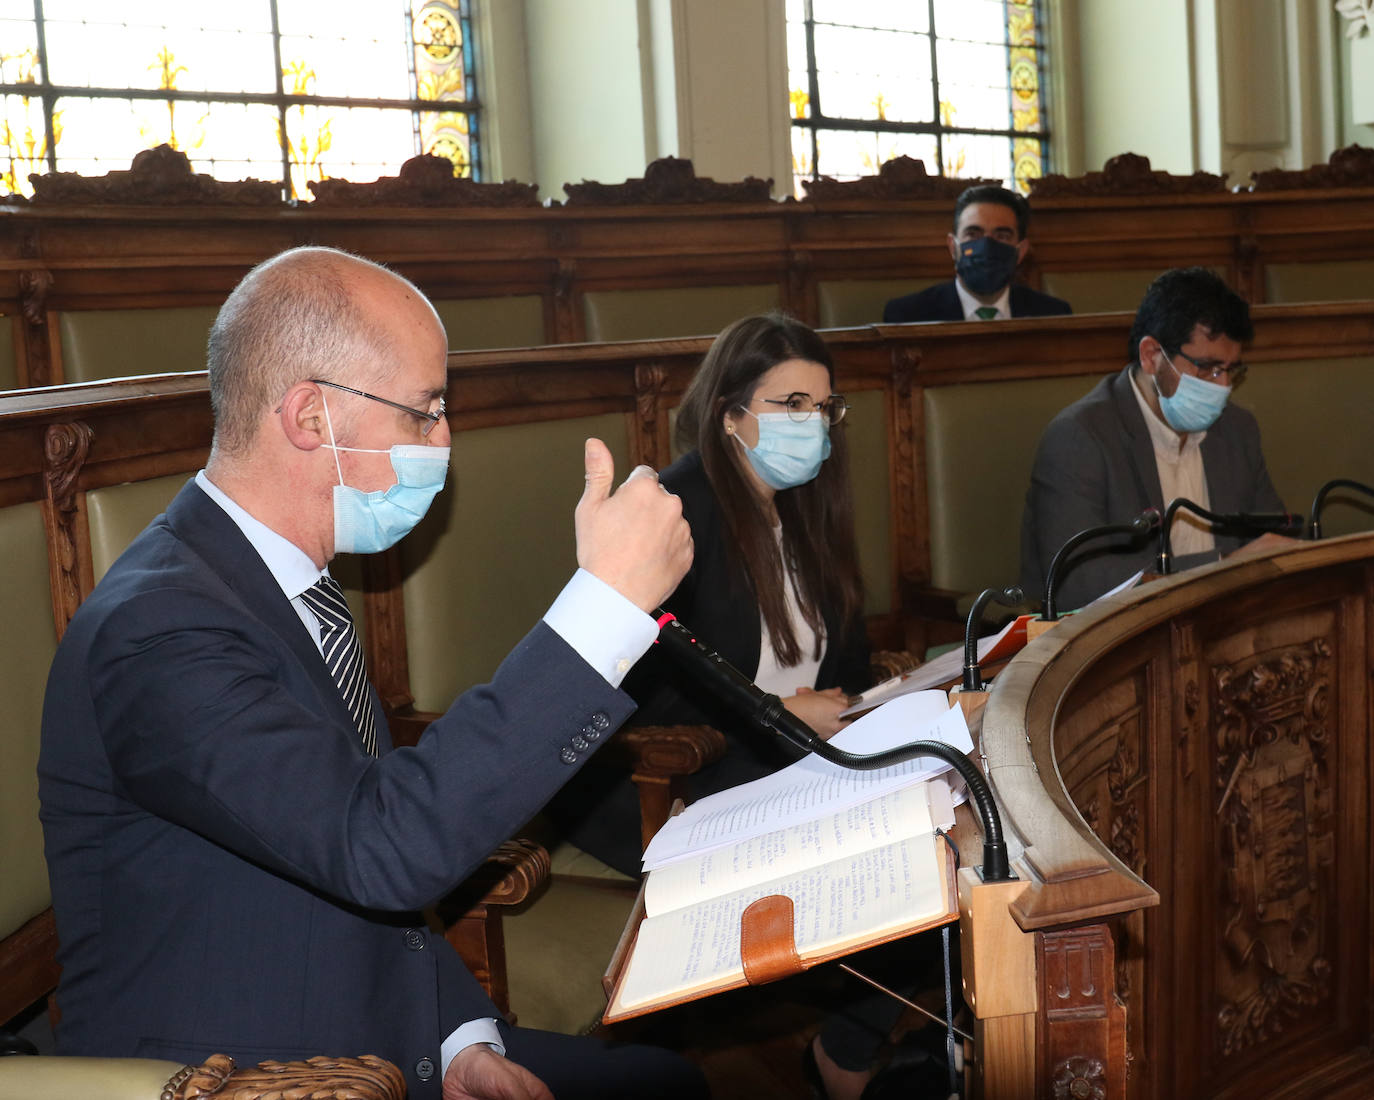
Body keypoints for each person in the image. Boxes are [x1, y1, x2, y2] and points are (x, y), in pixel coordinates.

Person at [37, 246, 707, 1100]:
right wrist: (603, 610)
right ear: (312, 418)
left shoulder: (284, 581)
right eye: (425, 411)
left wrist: (458, 1037)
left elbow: (350, 848)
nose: (444, 439)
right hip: (234, 1070)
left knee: (662, 1081)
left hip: (368, 1017)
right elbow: (382, 845)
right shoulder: (159, 630)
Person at [551, 312, 870, 878]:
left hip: (783, 764)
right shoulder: (674, 512)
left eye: (824, 407)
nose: (813, 423)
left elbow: (848, 658)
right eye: (792, 404)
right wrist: (779, 716)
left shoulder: (807, 505)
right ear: (729, 416)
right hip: (674, 780)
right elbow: (638, 689)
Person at [1020, 266, 1286, 611]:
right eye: (1208, 368)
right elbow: (1075, 584)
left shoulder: (1237, 429)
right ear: (1151, 356)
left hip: (1230, 624)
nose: (1223, 387)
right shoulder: (1080, 437)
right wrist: (1222, 565)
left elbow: (1275, 536)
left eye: (1231, 370)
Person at [882, 184, 1071, 323]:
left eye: (1002, 236)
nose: (986, 246)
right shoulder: (907, 316)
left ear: (1020, 252)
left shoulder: (1054, 315)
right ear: (952, 247)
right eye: (973, 234)